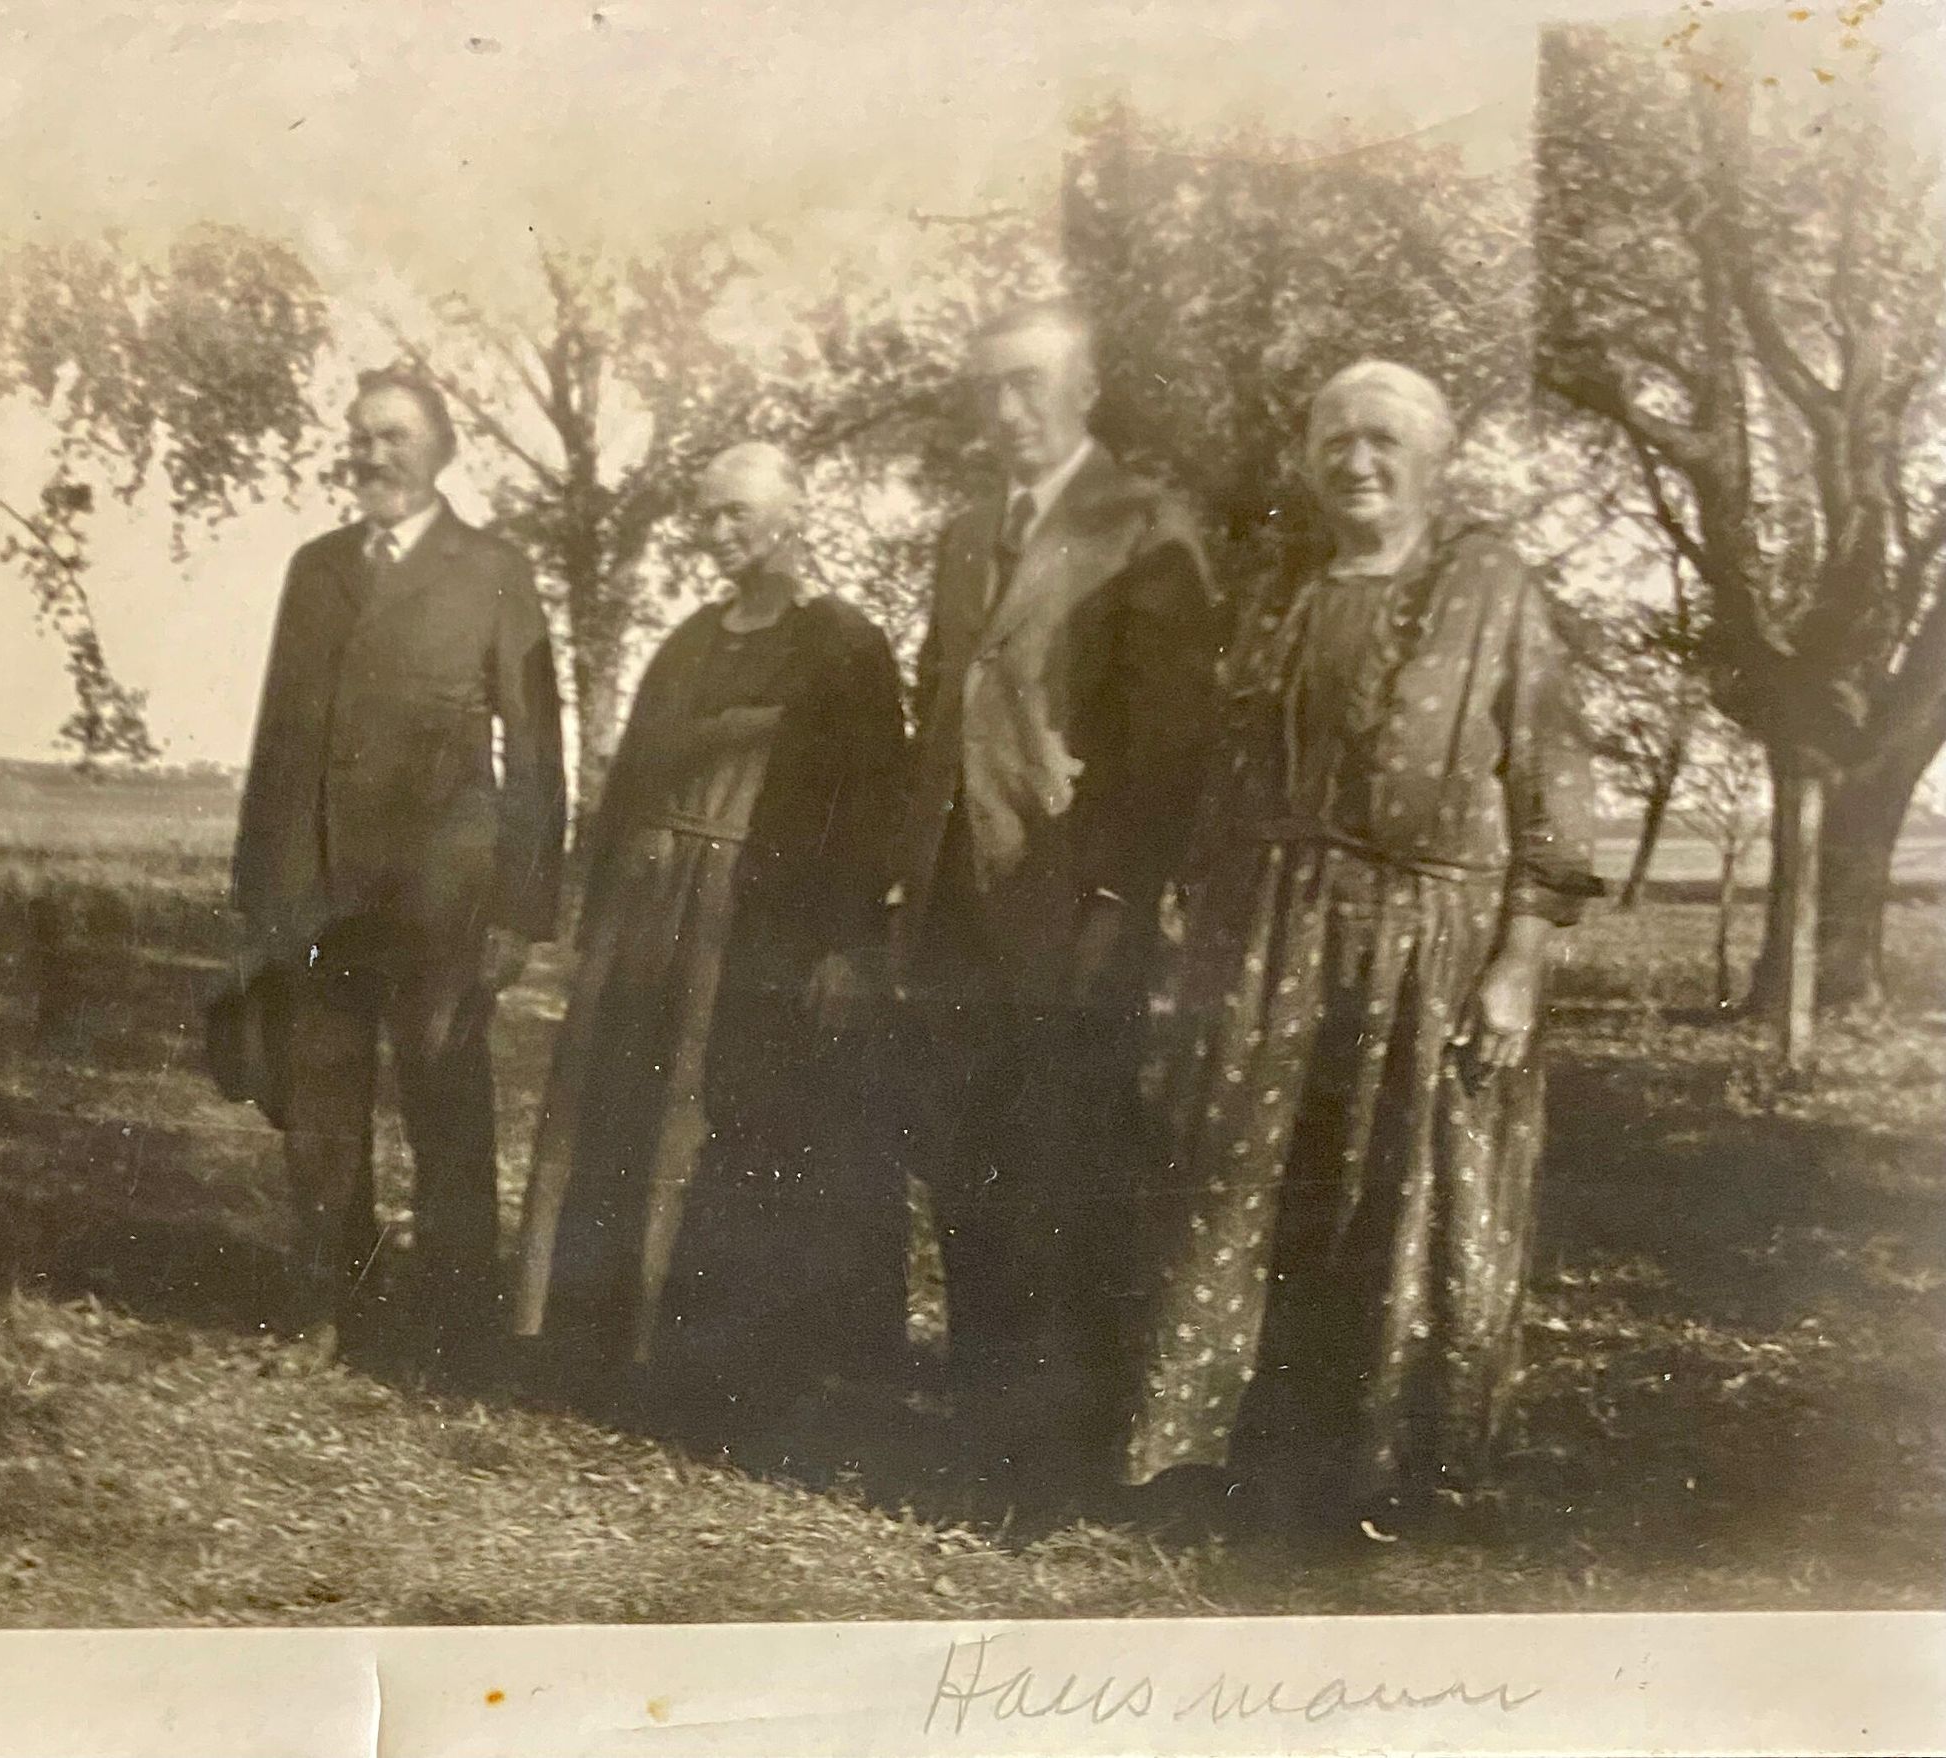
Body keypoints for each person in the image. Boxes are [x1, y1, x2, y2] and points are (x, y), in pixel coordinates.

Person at [1119, 360, 1601, 1544]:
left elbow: (1549, 777)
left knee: (1406, 1194)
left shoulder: (1490, 585)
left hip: (1433, 940)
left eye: (1383, 439)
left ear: (1434, 459)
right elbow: (1231, 775)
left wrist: (1517, 962)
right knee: (1252, 1182)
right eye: (1334, 440)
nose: (1357, 462)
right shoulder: (1281, 592)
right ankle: (1233, 1459)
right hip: (1275, 934)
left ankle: (1395, 1472)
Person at [869, 300, 1225, 1513]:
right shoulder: (966, 534)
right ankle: (985, 1435)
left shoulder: (1144, 524)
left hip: (1073, 903)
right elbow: (939, 710)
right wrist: (908, 878)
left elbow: (1171, 740)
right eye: (990, 390)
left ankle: (1068, 1463)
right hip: (956, 906)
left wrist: (1117, 892)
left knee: (1067, 1169)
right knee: (967, 1163)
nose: (1008, 410)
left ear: (1086, 388)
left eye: (1030, 383)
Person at [512, 441, 908, 1439]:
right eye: (708, 515)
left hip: (756, 922)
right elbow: (630, 781)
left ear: (793, 515)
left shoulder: (845, 646)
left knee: (723, 1128)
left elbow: (874, 806)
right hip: (646, 914)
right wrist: (596, 914)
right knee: (616, 1113)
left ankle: (695, 1362)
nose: (718, 531)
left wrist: (849, 942)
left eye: (738, 512)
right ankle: (588, 1340)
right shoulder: (687, 640)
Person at [230, 368, 566, 1373]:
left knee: (444, 1101)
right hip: (320, 887)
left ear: (443, 449)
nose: (374, 455)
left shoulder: (494, 569)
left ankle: (457, 1328)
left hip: (439, 896)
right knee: (322, 1108)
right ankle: (333, 1310)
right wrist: (260, 891)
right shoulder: (317, 568)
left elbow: (537, 754)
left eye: (396, 436)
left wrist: (521, 910)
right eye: (362, 436)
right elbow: (280, 736)